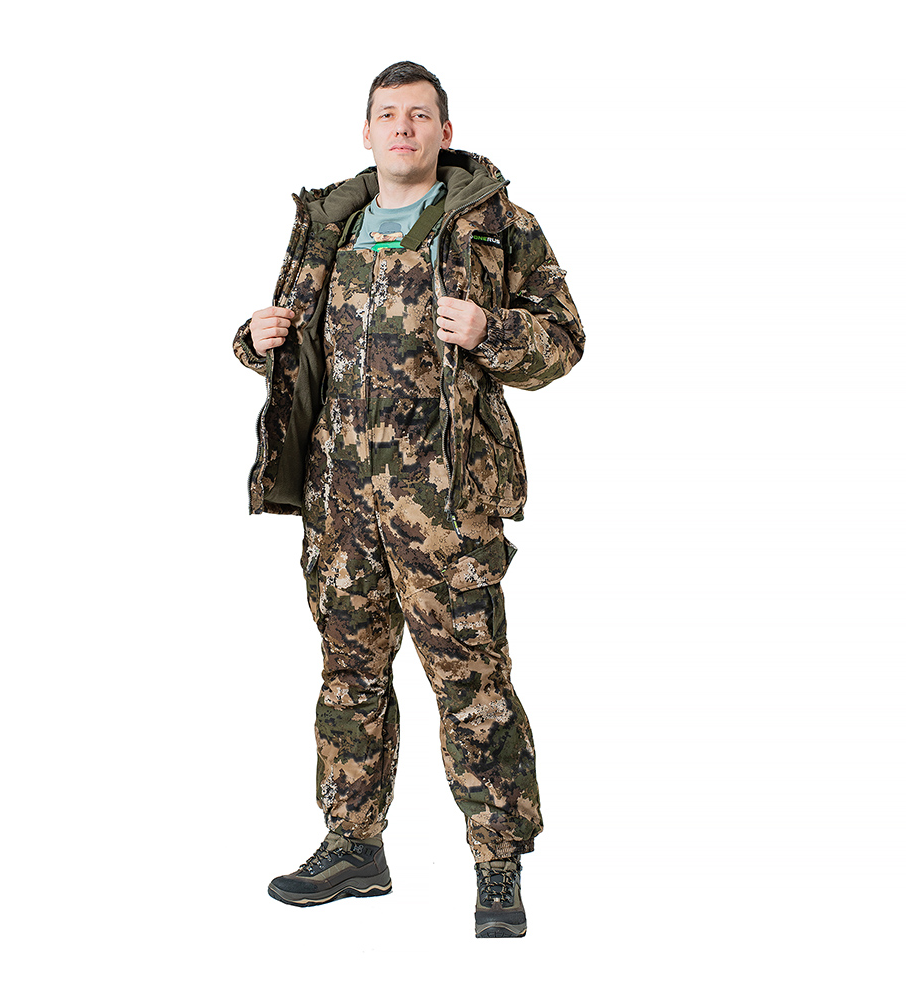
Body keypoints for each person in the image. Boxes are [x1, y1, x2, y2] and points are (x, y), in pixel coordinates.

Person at [233, 61, 584, 938]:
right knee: (349, 676)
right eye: (387, 114)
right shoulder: (328, 225)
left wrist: (492, 329)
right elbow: (290, 339)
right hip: (340, 502)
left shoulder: (496, 225)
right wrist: (252, 338)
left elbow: (564, 339)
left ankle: (498, 865)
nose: (402, 128)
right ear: (366, 132)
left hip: (445, 504)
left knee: (472, 682)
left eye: (419, 115)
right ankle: (354, 845)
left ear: (444, 132)